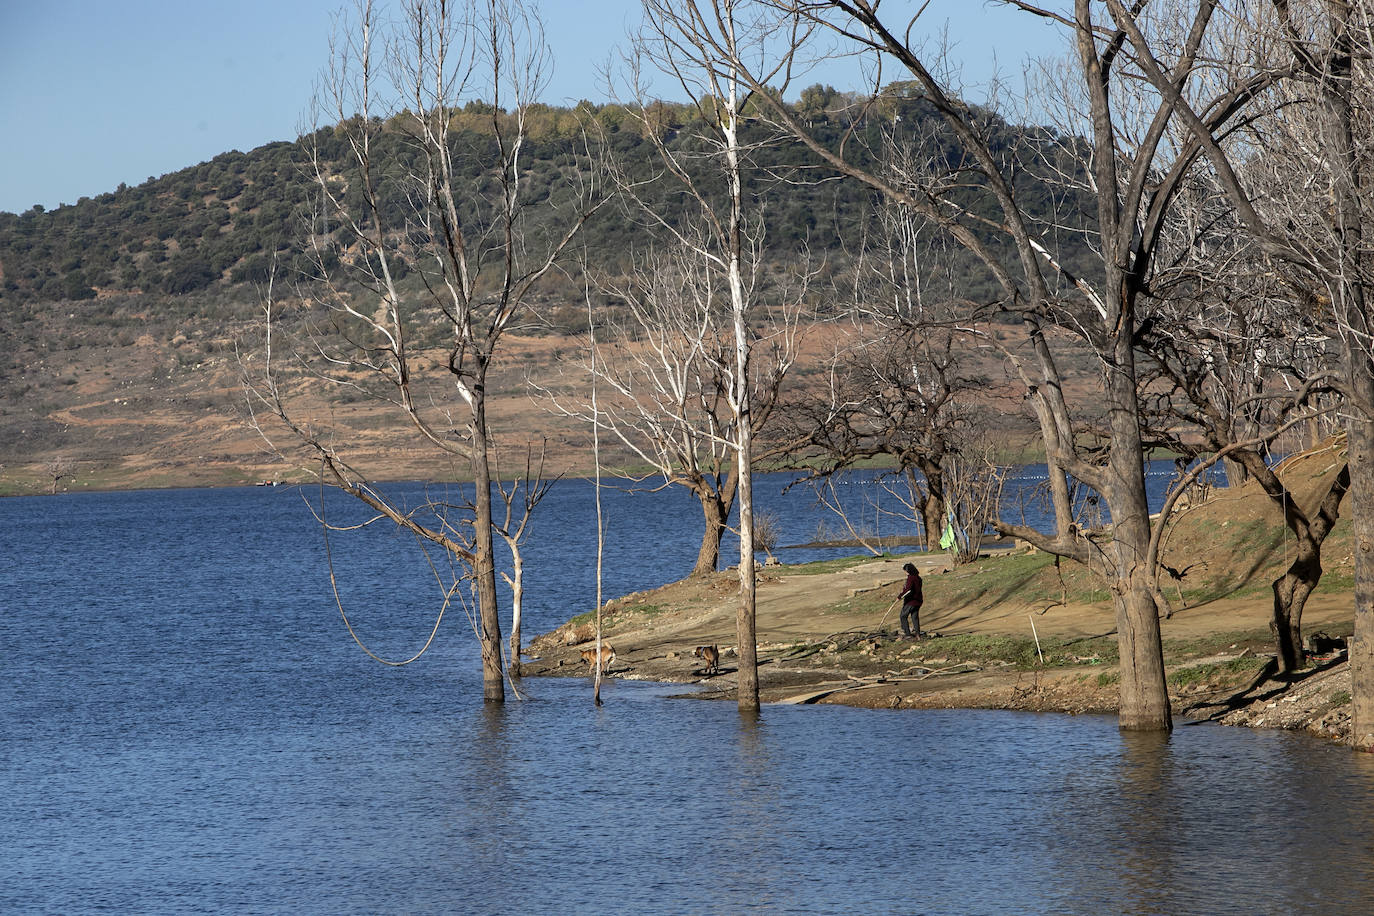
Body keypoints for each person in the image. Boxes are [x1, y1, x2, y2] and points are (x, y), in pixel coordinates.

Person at [899, 562, 924, 639]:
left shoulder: (911, 578)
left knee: (903, 616)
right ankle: (918, 634)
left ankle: (907, 634)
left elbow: (908, 590)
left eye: (906, 571)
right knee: (915, 617)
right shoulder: (918, 578)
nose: (905, 573)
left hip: (911, 601)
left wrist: (899, 597)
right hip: (918, 601)